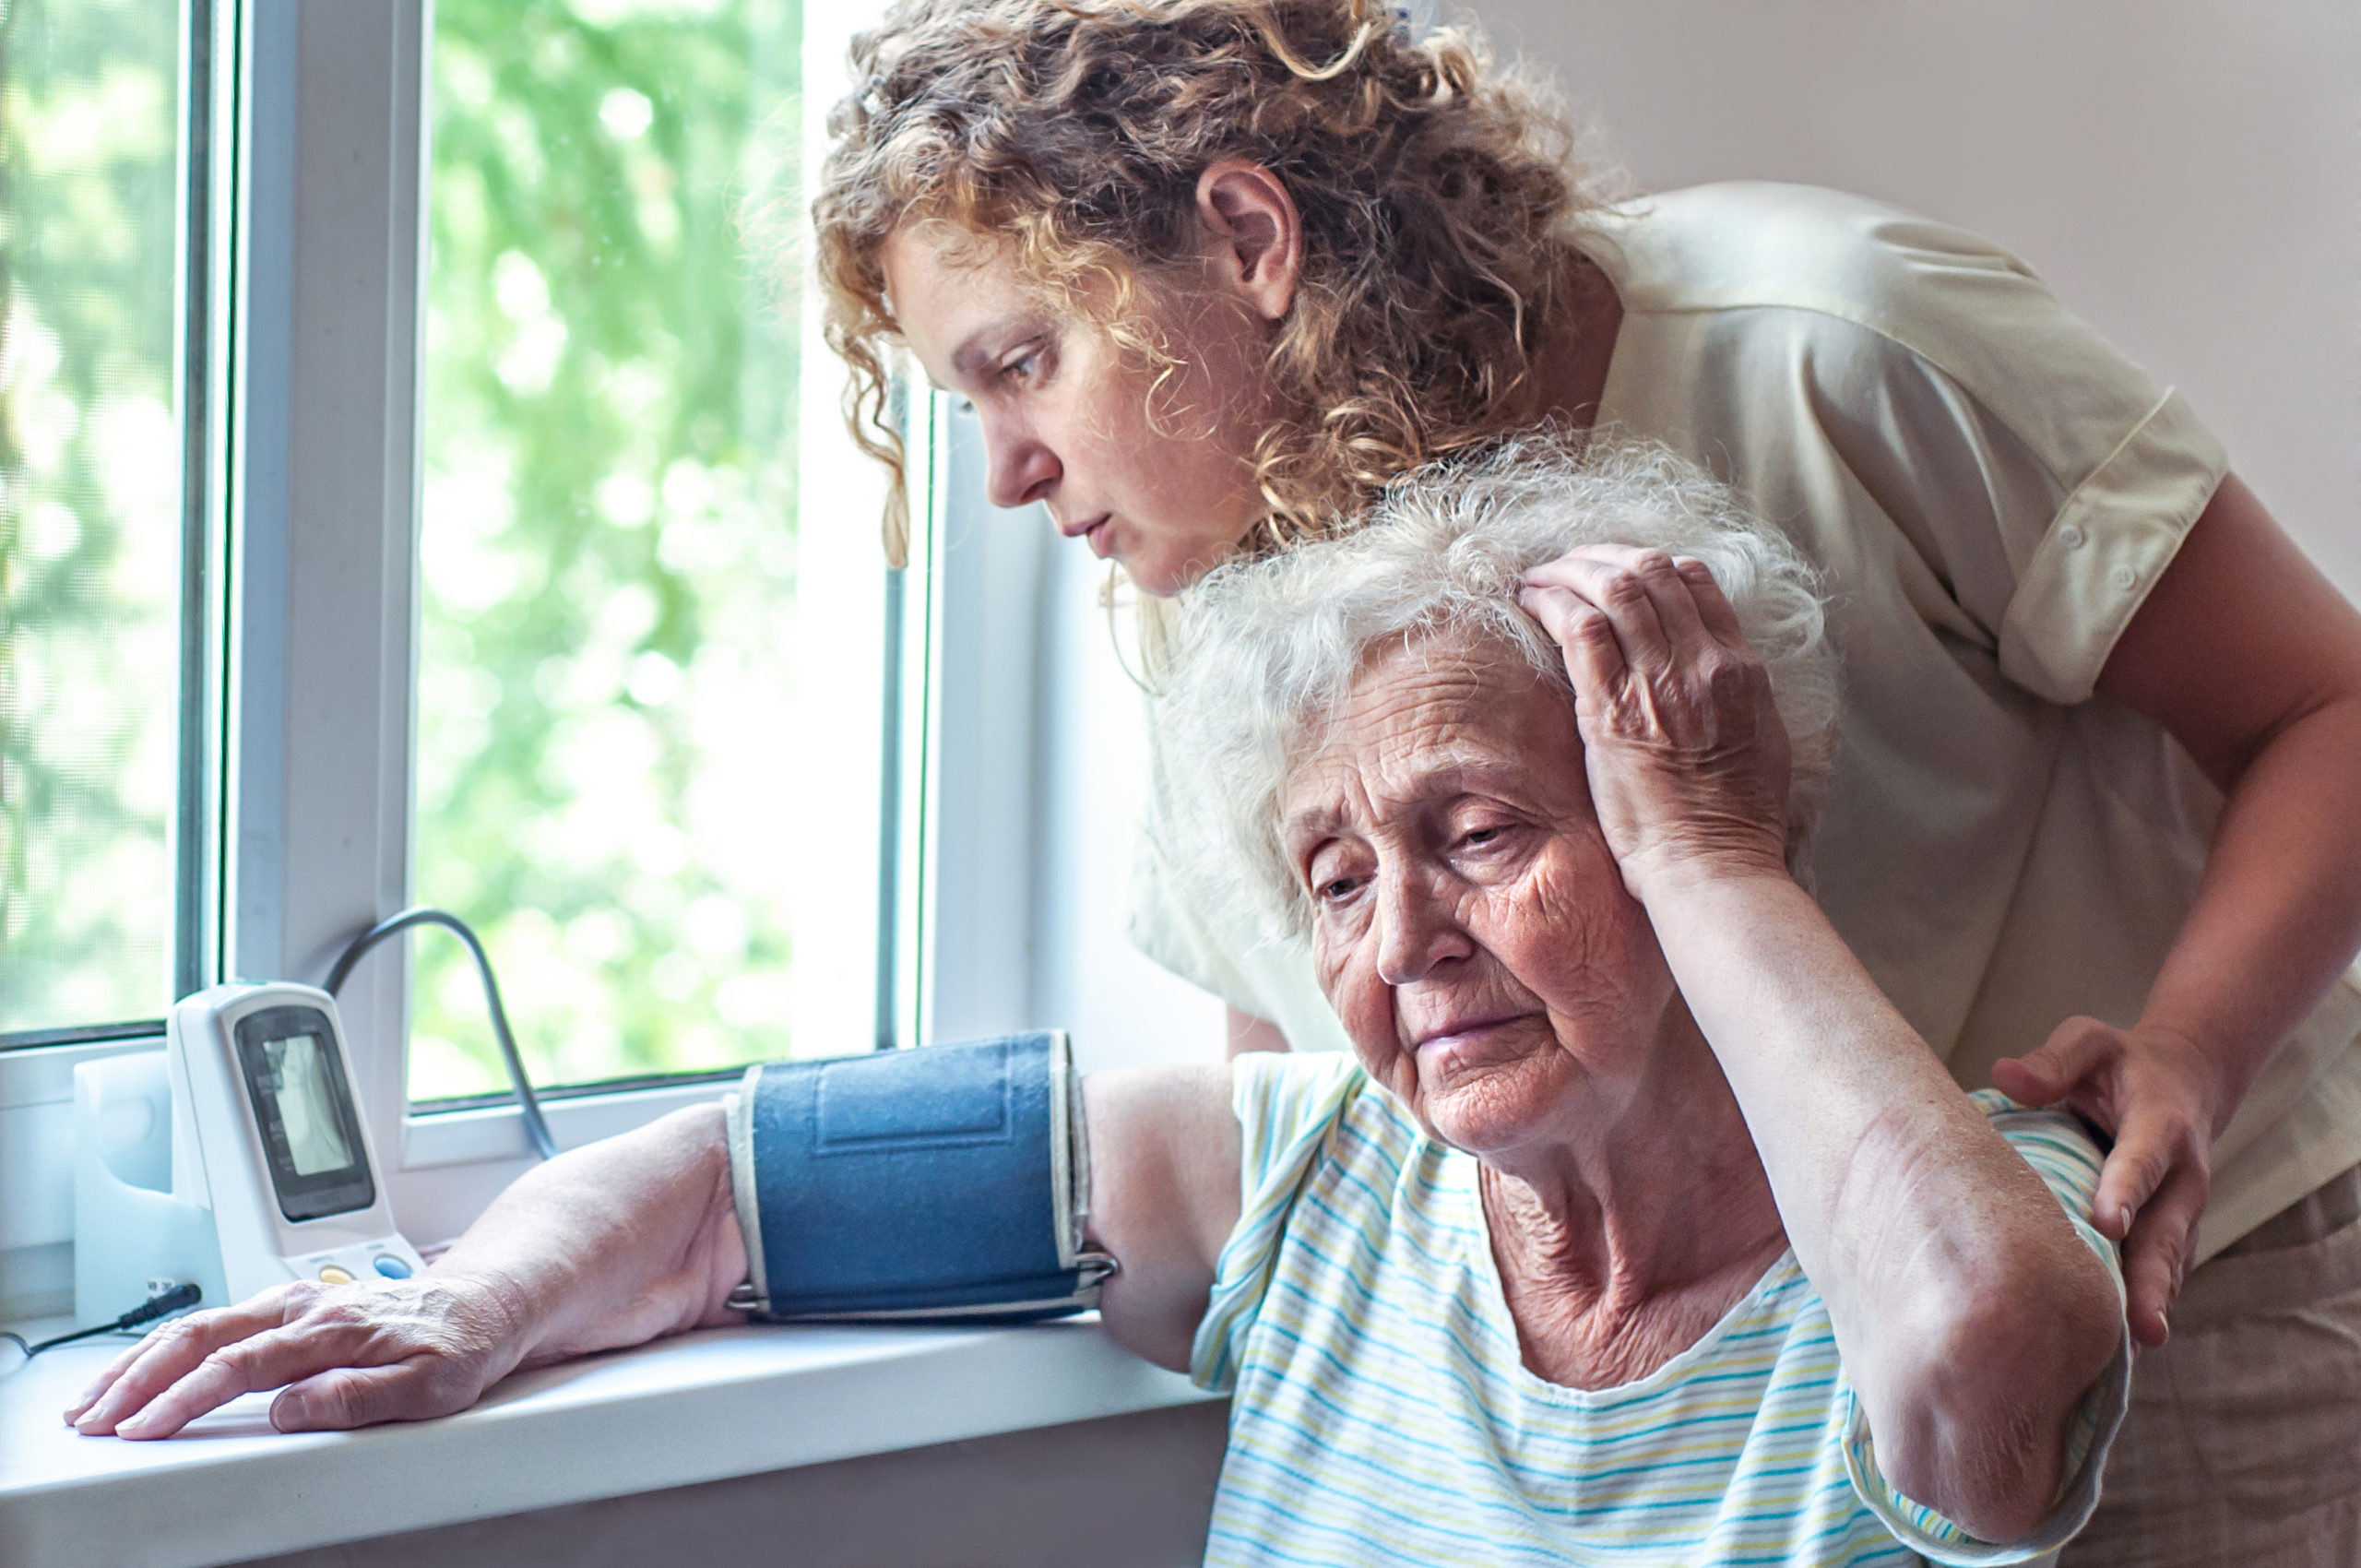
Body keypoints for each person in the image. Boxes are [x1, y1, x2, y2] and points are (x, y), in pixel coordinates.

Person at [815, 3, 2361, 1558]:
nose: (1005, 471)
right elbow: (1303, 1079)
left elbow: (2328, 704)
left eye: (1026, 363)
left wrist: (2193, 1053)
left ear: (1247, 238)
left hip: (2168, 1277)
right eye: (969, 403)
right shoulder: (1216, 593)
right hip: (1705, 1408)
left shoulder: (1830, 346)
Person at [68, 445, 2129, 1566]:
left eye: (1482, 831)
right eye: (1335, 878)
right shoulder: (1302, 1175)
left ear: (1697, 820)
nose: (1402, 937)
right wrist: (464, 1307)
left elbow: (1977, 1364)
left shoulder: (1965, 1206)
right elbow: (722, 1185)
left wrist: (1716, 863)